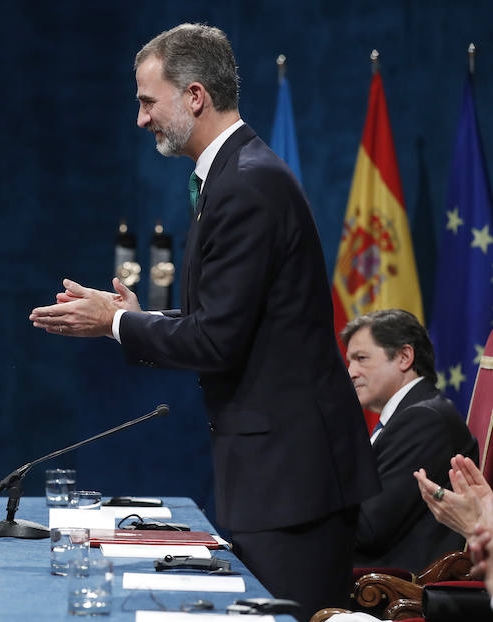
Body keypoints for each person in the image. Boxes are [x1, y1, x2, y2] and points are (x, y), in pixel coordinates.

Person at [28, 23, 379, 620]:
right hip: (278, 477)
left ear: (194, 96)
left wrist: (114, 325)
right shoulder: (236, 175)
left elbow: (216, 338)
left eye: (146, 101)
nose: (140, 119)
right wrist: (132, 315)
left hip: (292, 483)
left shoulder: (247, 184)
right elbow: (225, 316)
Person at [342, 309, 478, 570]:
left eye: (361, 358)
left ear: (404, 357)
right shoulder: (410, 415)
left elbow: (369, 528)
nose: (351, 372)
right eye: (350, 361)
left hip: (391, 589)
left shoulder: (424, 419)